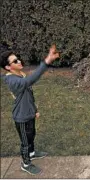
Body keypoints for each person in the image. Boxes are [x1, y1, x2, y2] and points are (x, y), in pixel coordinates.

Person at [0, 45, 59, 175]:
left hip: (29, 113)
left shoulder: (20, 74)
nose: (19, 61)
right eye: (15, 61)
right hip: (21, 117)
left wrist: (35, 109)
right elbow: (31, 81)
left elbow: (29, 94)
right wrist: (46, 62)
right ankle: (26, 164)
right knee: (25, 142)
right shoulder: (12, 80)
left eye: (18, 59)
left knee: (32, 135)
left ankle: (32, 153)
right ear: (8, 67)